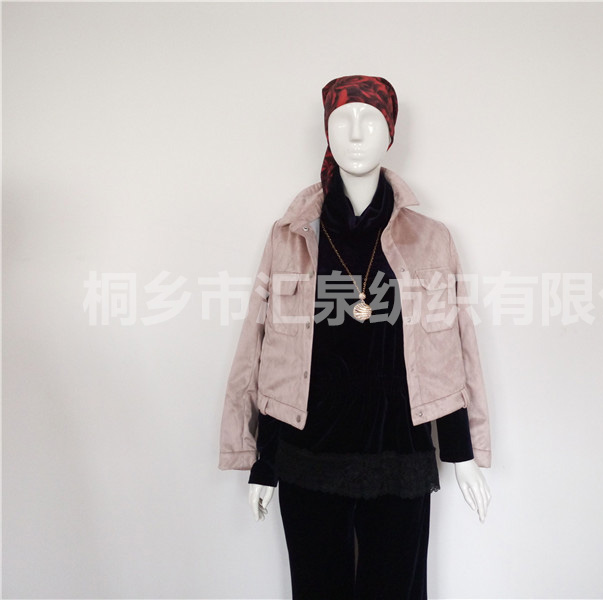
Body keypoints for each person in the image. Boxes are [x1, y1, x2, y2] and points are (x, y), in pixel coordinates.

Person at [219, 75, 491, 599]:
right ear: (327, 132)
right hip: (307, 455)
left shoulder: (431, 240)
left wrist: (461, 453)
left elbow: (450, 350)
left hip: (400, 456)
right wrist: (264, 461)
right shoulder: (292, 236)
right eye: (343, 120)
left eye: (371, 119)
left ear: (391, 133)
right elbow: (267, 348)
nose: (357, 133)